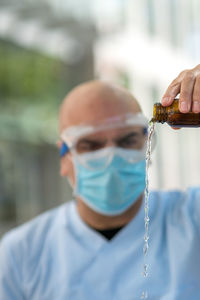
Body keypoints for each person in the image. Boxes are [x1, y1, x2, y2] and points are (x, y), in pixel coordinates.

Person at [0, 64, 200, 300]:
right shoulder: (21, 254)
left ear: (147, 142)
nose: (111, 156)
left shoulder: (192, 218)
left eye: (127, 139)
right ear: (64, 158)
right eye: (91, 145)